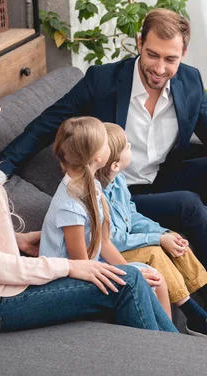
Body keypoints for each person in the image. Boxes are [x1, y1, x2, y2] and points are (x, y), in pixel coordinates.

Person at [0, 9, 207, 331]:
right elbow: (46, 124)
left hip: (163, 176)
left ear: (183, 53)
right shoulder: (103, 80)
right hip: (119, 191)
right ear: (139, 43)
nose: (159, 68)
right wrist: (1, 170)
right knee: (187, 203)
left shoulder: (189, 80)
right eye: (152, 54)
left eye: (170, 59)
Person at [0, 59, 177, 335]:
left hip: (6, 285)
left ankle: (179, 354)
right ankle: (179, 358)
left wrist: (19, 241)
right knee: (129, 282)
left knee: (134, 280)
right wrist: (69, 267)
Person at [95, 122, 207, 340]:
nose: (131, 147)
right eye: (127, 147)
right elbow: (110, 241)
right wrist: (156, 238)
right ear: (114, 164)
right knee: (156, 252)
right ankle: (193, 314)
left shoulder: (119, 180)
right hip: (110, 254)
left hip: (126, 241)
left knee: (174, 241)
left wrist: (163, 233)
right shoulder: (95, 195)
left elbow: (132, 216)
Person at [38, 116, 171, 318]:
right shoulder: (70, 206)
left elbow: (103, 241)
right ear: (98, 157)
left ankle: (168, 343)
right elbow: (80, 264)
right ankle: (159, 344)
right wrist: (130, 277)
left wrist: (128, 270)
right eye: (104, 143)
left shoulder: (92, 187)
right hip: (69, 281)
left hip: (90, 269)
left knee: (155, 279)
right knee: (145, 284)